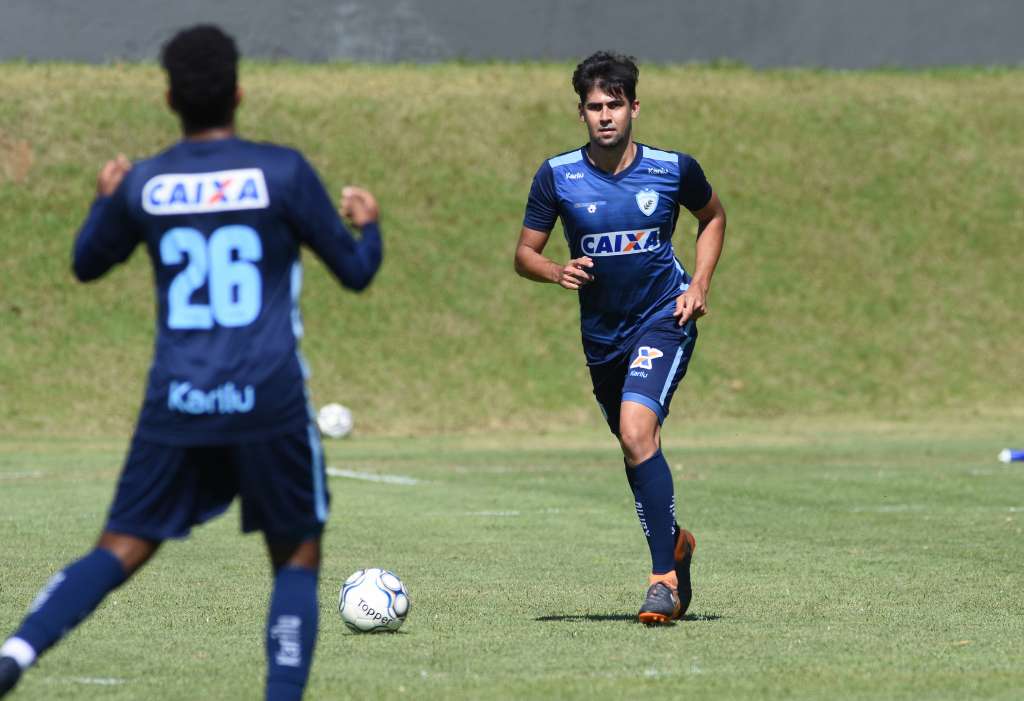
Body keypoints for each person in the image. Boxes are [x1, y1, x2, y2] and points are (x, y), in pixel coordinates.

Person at [0, 25, 382, 700]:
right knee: (296, 554)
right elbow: (355, 273)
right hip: (269, 400)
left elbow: (87, 263)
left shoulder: (145, 183)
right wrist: (369, 224)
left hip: (179, 399)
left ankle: (15, 654)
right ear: (239, 91)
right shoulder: (282, 172)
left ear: (170, 97)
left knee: (119, 546)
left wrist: (102, 195)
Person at [514, 51, 727, 624]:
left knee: (637, 431)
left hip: (664, 316)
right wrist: (556, 271)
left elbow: (712, 217)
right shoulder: (557, 176)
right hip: (603, 339)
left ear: (635, 107)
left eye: (614, 105)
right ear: (581, 113)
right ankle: (675, 545)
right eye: (593, 107)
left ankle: (662, 581)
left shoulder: (672, 168)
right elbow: (523, 254)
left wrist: (699, 283)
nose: (605, 116)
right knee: (636, 450)